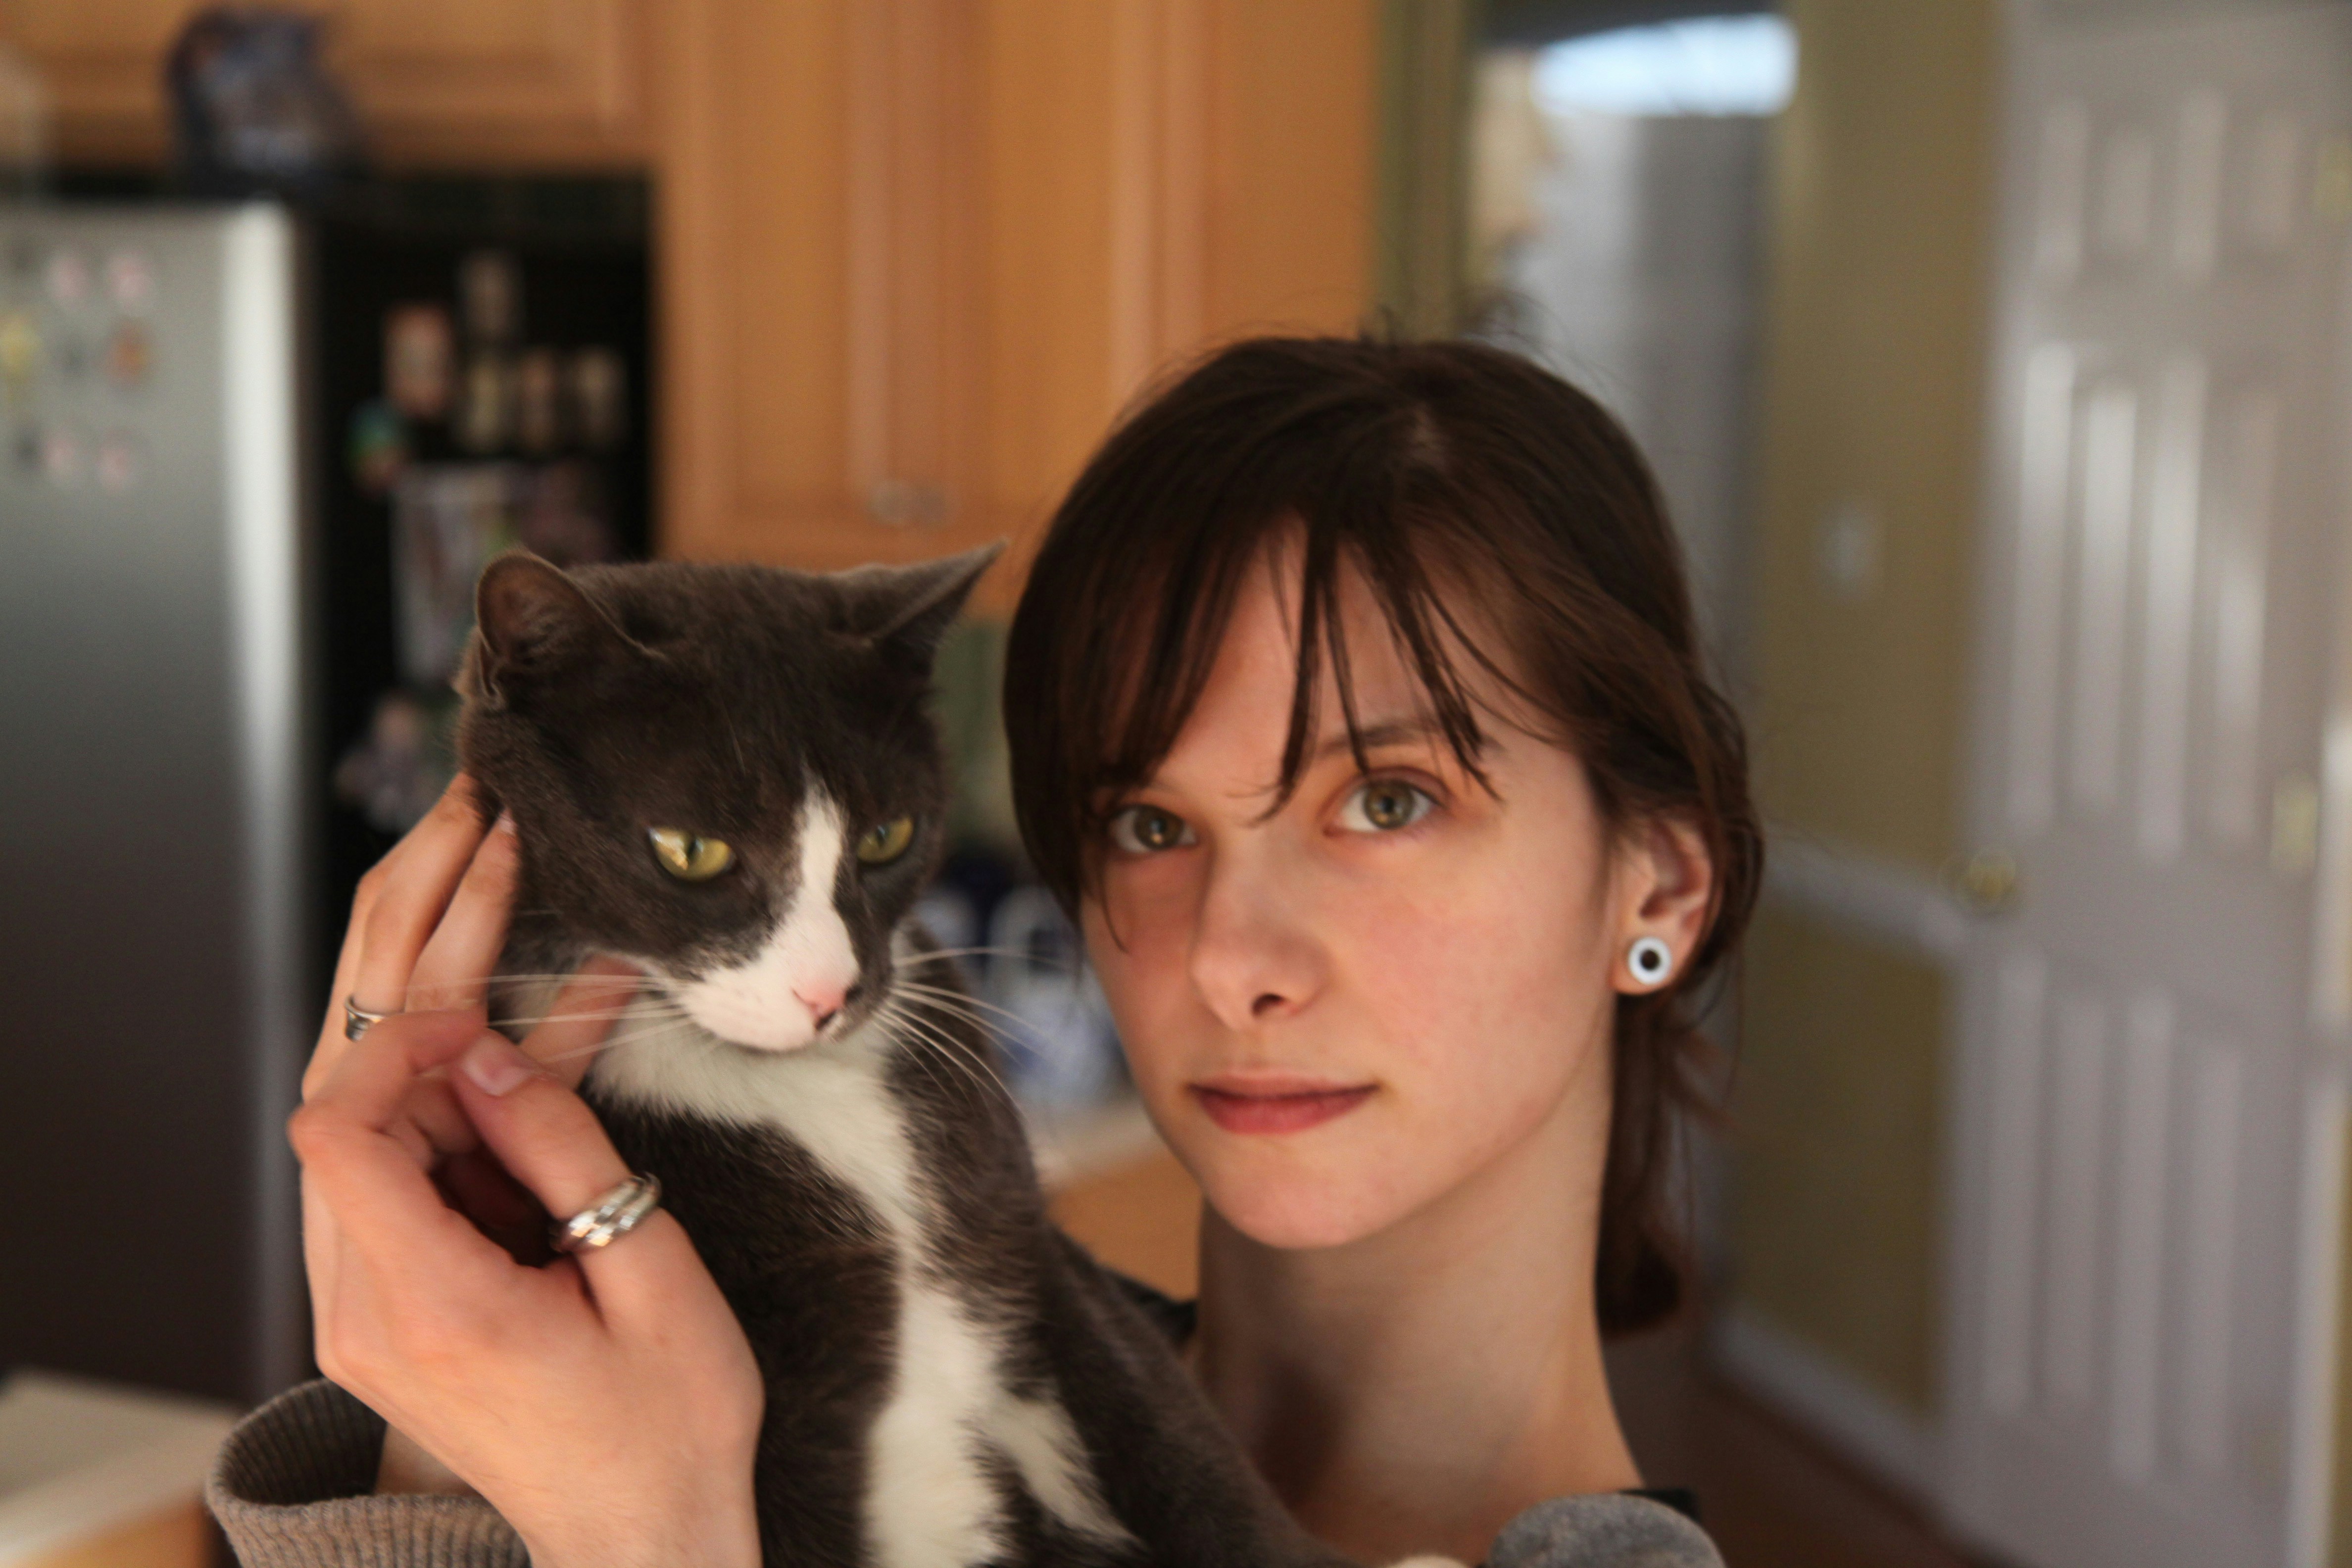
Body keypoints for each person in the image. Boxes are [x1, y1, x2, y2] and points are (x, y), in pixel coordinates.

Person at [208, 336, 1759, 1568]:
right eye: (1148, 823)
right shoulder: (816, 1347)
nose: (1233, 960)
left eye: (1390, 799)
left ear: (1664, 887)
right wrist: (439, 1459)